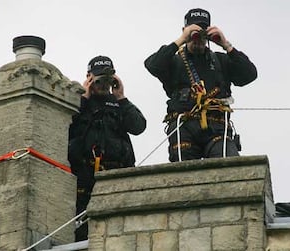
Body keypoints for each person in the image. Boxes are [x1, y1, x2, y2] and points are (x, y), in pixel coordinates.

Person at [144, 8, 257, 162]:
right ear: (185, 30)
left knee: (229, 163)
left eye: (202, 33)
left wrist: (226, 44)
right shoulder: (173, 61)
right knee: (184, 173)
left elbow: (249, 75)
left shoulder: (220, 61)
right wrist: (181, 40)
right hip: (184, 126)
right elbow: (152, 65)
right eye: (193, 31)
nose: (197, 38)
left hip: (216, 126)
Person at [68, 55, 146, 241]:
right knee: (83, 229)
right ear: (89, 77)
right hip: (85, 175)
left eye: (107, 79)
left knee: (119, 226)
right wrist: (83, 98)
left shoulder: (119, 103)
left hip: (116, 173)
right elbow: (66, 127)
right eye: (99, 79)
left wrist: (121, 98)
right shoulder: (77, 103)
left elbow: (139, 127)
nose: (103, 84)